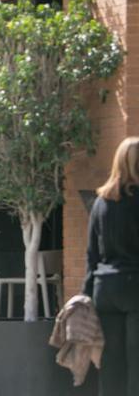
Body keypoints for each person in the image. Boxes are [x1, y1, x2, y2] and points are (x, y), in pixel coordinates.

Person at [84, 137, 139, 395]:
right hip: (136, 287)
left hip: (104, 289)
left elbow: (91, 254)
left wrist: (86, 295)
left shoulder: (100, 202)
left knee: (111, 363)